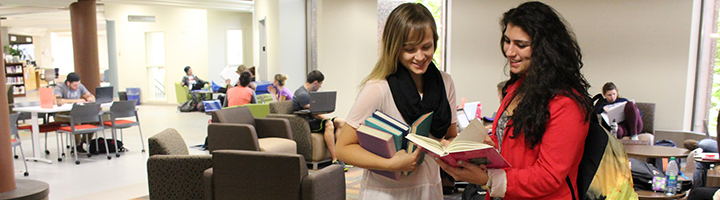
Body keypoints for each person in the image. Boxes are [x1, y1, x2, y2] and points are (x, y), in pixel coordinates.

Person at [435, 2, 593, 199]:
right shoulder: (518, 86)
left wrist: (488, 178)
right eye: (507, 41)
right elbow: (511, 143)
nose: (509, 51)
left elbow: (548, 177)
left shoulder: (567, 104)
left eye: (521, 45)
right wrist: (484, 146)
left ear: (545, 48)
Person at [335, 3, 457, 199]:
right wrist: (391, 164)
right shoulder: (378, 89)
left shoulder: (445, 82)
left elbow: (450, 135)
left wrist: (454, 148)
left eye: (427, 47)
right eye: (410, 49)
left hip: (430, 189)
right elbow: (343, 148)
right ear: (395, 48)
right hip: (386, 193)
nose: (420, 56)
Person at [292, 70, 347, 169]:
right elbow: (314, 113)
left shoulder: (309, 93)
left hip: (314, 119)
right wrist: (327, 118)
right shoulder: (302, 94)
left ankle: (341, 155)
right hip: (306, 122)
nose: (320, 87)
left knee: (341, 122)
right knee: (329, 124)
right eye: (320, 84)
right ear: (316, 83)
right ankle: (335, 159)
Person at [54, 72, 96, 153]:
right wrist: (76, 100)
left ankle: (85, 140)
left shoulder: (80, 86)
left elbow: (91, 96)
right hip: (62, 114)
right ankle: (77, 144)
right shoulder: (60, 87)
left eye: (78, 85)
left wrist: (90, 98)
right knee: (77, 118)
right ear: (68, 83)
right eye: (74, 85)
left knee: (93, 117)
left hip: (76, 112)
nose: (77, 87)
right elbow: (57, 100)